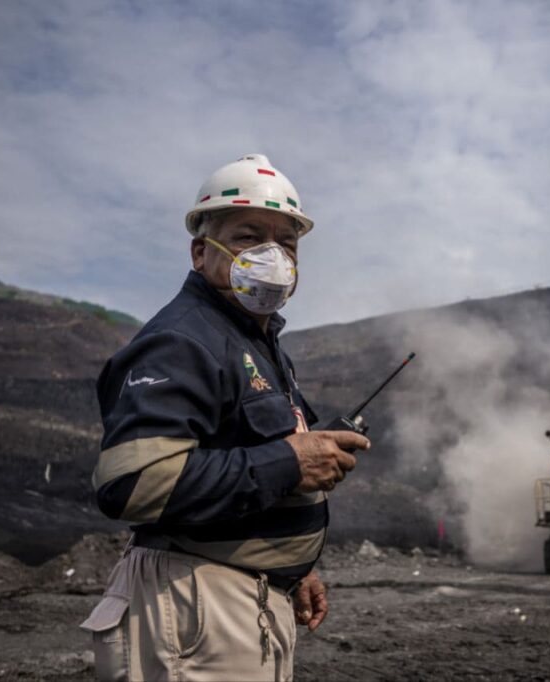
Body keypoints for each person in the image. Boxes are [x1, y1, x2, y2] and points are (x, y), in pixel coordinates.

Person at [79, 154, 369, 681]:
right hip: (196, 602)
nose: (272, 255)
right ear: (200, 252)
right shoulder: (183, 339)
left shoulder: (256, 342)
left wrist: (290, 568)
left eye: (286, 243)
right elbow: (133, 483)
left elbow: (247, 458)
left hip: (237, 596)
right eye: (248, 237)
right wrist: (289, 462)